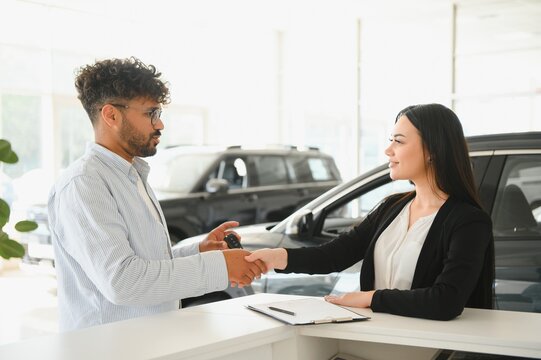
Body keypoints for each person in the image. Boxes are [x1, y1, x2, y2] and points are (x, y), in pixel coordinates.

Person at [48, 57, 266, 331]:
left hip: (146, 343)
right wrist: (219, 267)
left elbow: (146, 263)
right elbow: (123, 282)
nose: (160, 124)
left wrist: (196, 252)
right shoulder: (84, 185)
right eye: (150, 113)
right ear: (111, 115)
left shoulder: (132, 175)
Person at [246, 103, 495, 321]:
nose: (388, 150)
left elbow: (446, 301)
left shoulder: (469, 222)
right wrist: (277, 257)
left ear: (432, 151)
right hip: (376, 337)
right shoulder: (391, 207)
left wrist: (371, 299)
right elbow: (335, 254)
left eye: (398, 141)